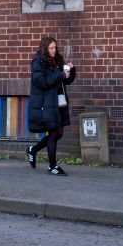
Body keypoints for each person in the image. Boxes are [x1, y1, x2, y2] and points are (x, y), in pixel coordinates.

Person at [27, 36, 76, 175]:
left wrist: (70, 72)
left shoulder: (56, 60)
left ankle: (33, 150)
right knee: (54, 132)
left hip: (58, 102)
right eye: (51, 48)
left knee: (59, 133)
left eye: (55, 47)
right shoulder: (38, 61)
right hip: (46, 104)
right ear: (45, 48)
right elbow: (41, 82)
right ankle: (52, 166)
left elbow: (64, 81)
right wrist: (59, 75)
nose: (54, 50)